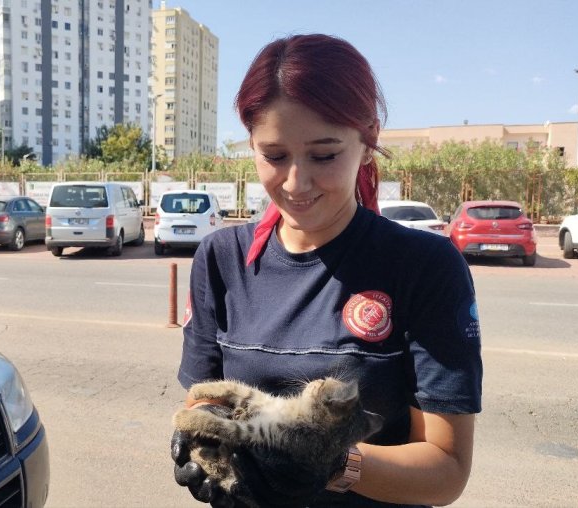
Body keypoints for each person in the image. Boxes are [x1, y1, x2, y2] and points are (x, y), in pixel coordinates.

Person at [172, 34, 482, 508]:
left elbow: (446, 471)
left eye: (324, 155)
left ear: (367, 139)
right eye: (274, 156)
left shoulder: (424, 267)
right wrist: (205, 431)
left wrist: (336, 465)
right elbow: (205, 399)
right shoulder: (221, 259)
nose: (297, 182)